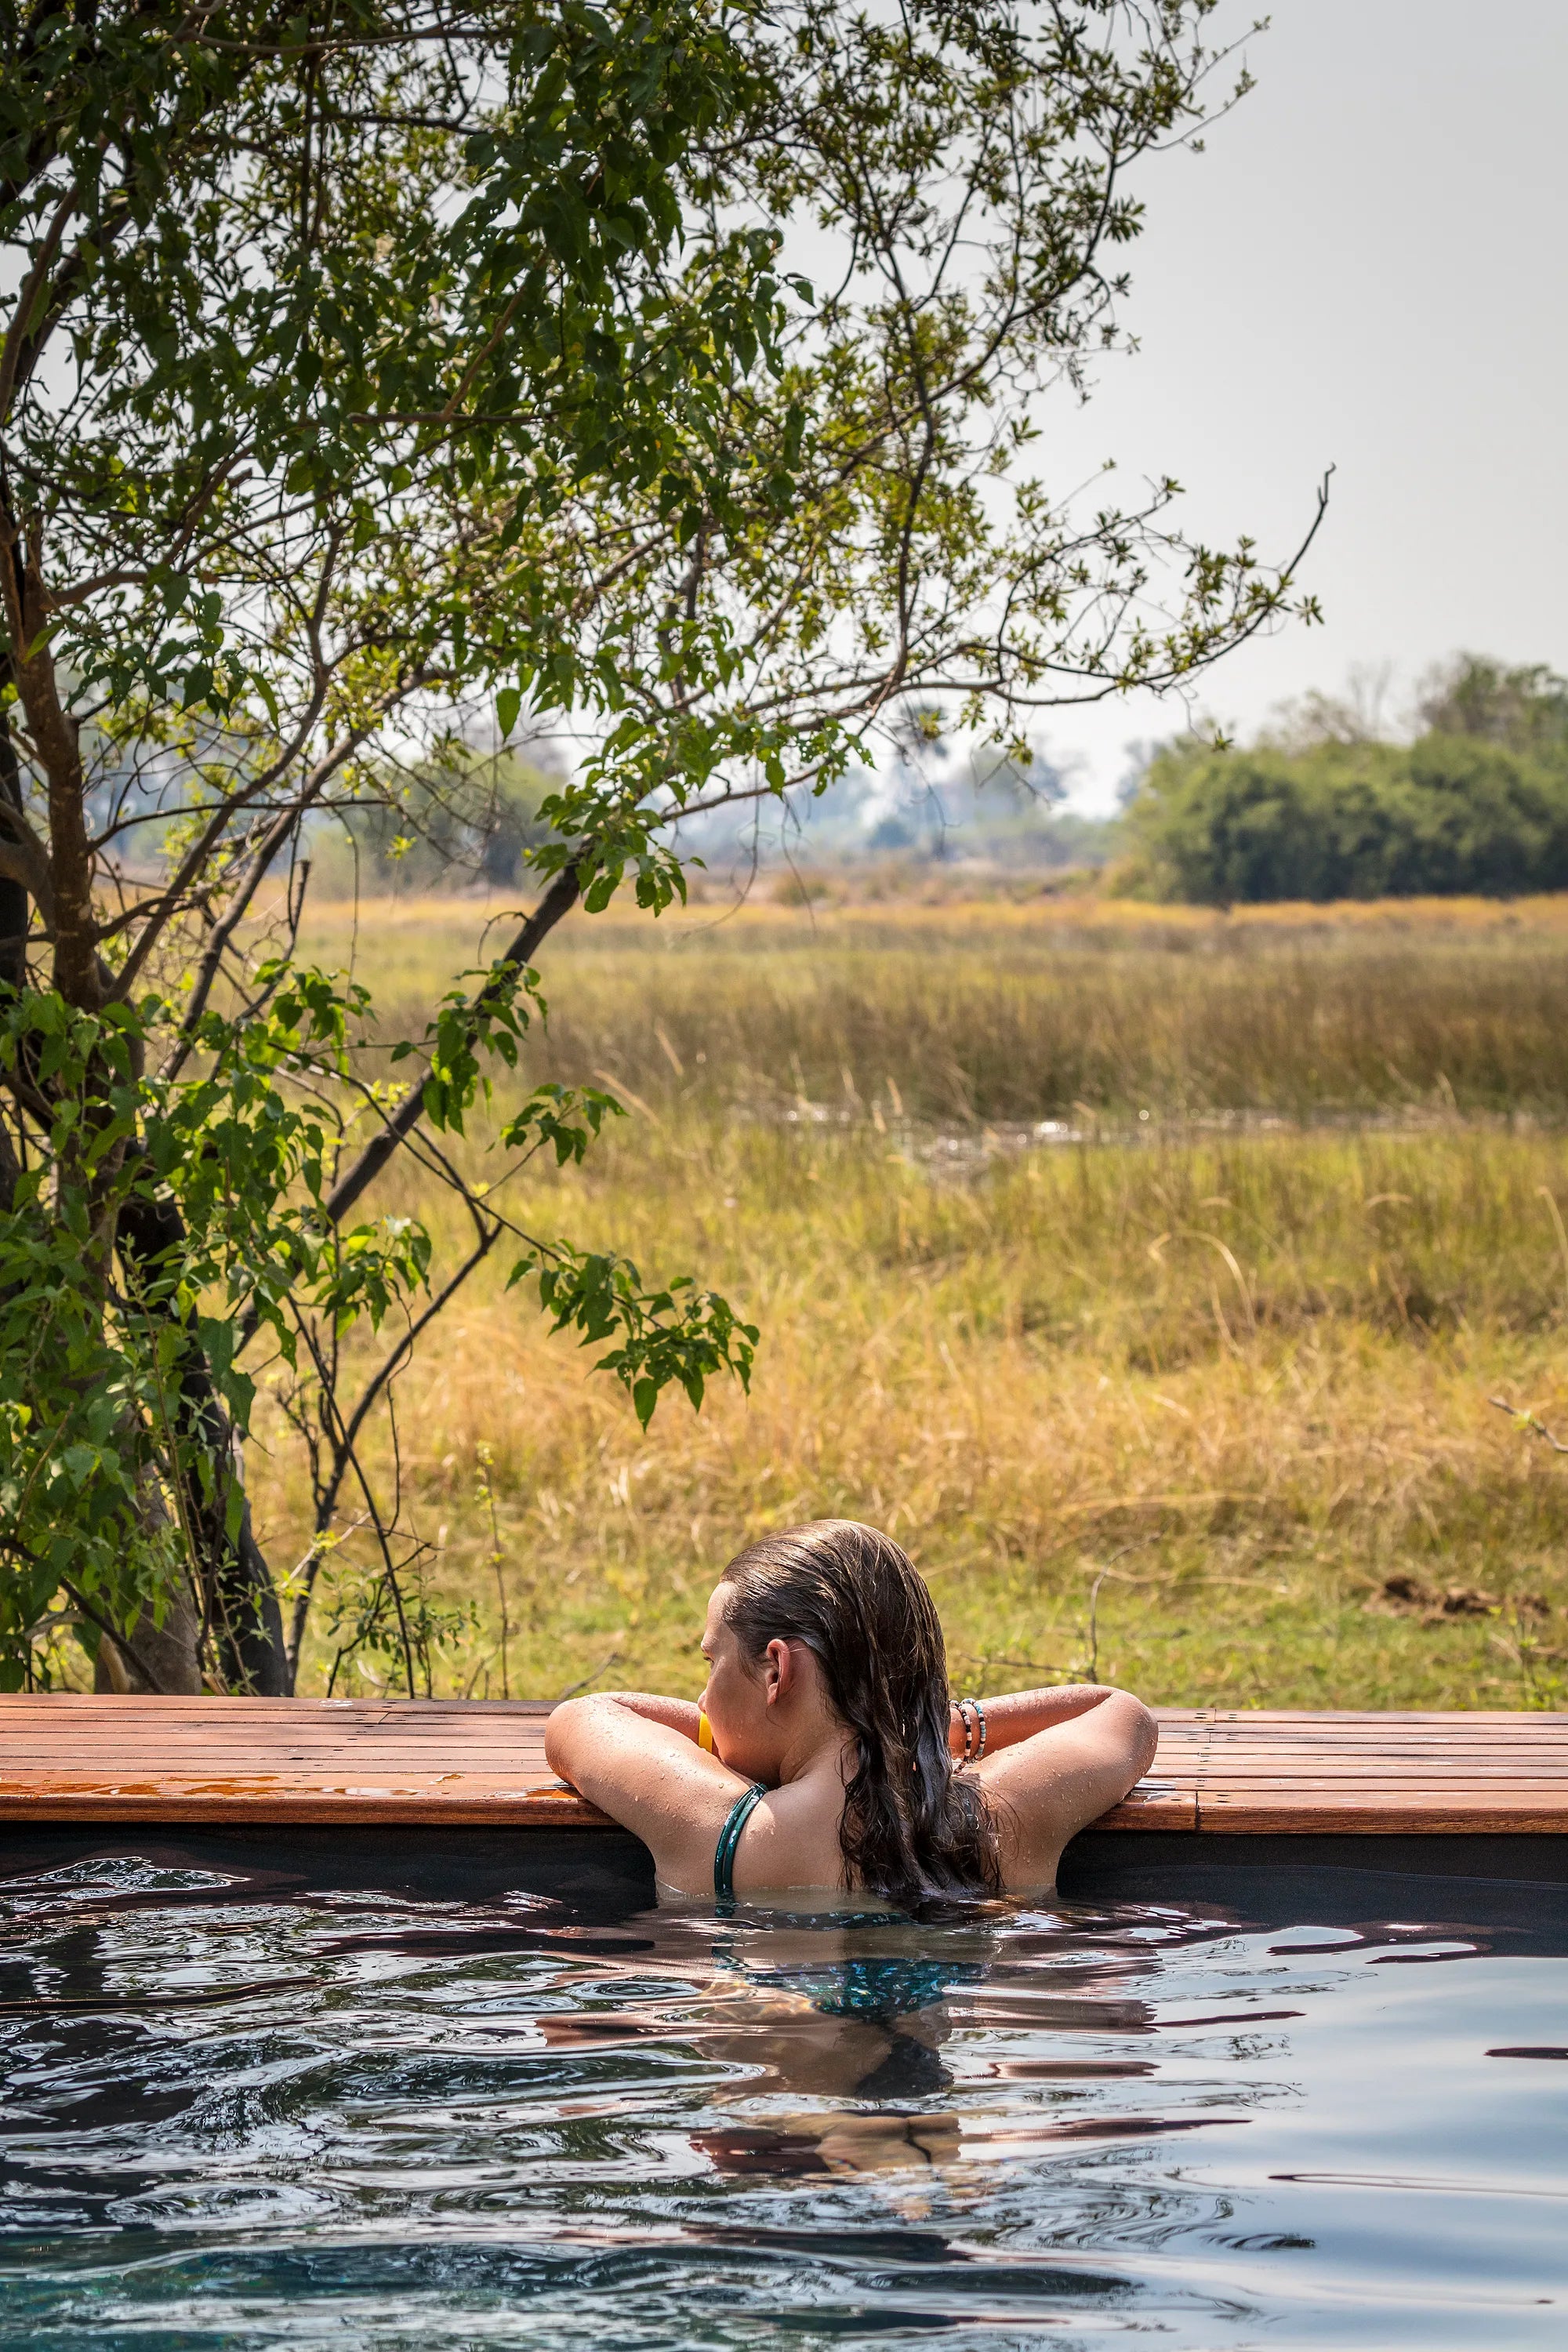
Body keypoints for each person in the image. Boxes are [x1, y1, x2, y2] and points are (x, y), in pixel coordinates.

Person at [545, 1519, 1157, 1910]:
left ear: (776, 1671)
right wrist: (924, 1724)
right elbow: (1121, 1713)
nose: (705, 1698)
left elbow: (587, 1716)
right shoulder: (1002, 1817)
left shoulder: (720, 1831)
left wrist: (714, 1734)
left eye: (712, 1662)